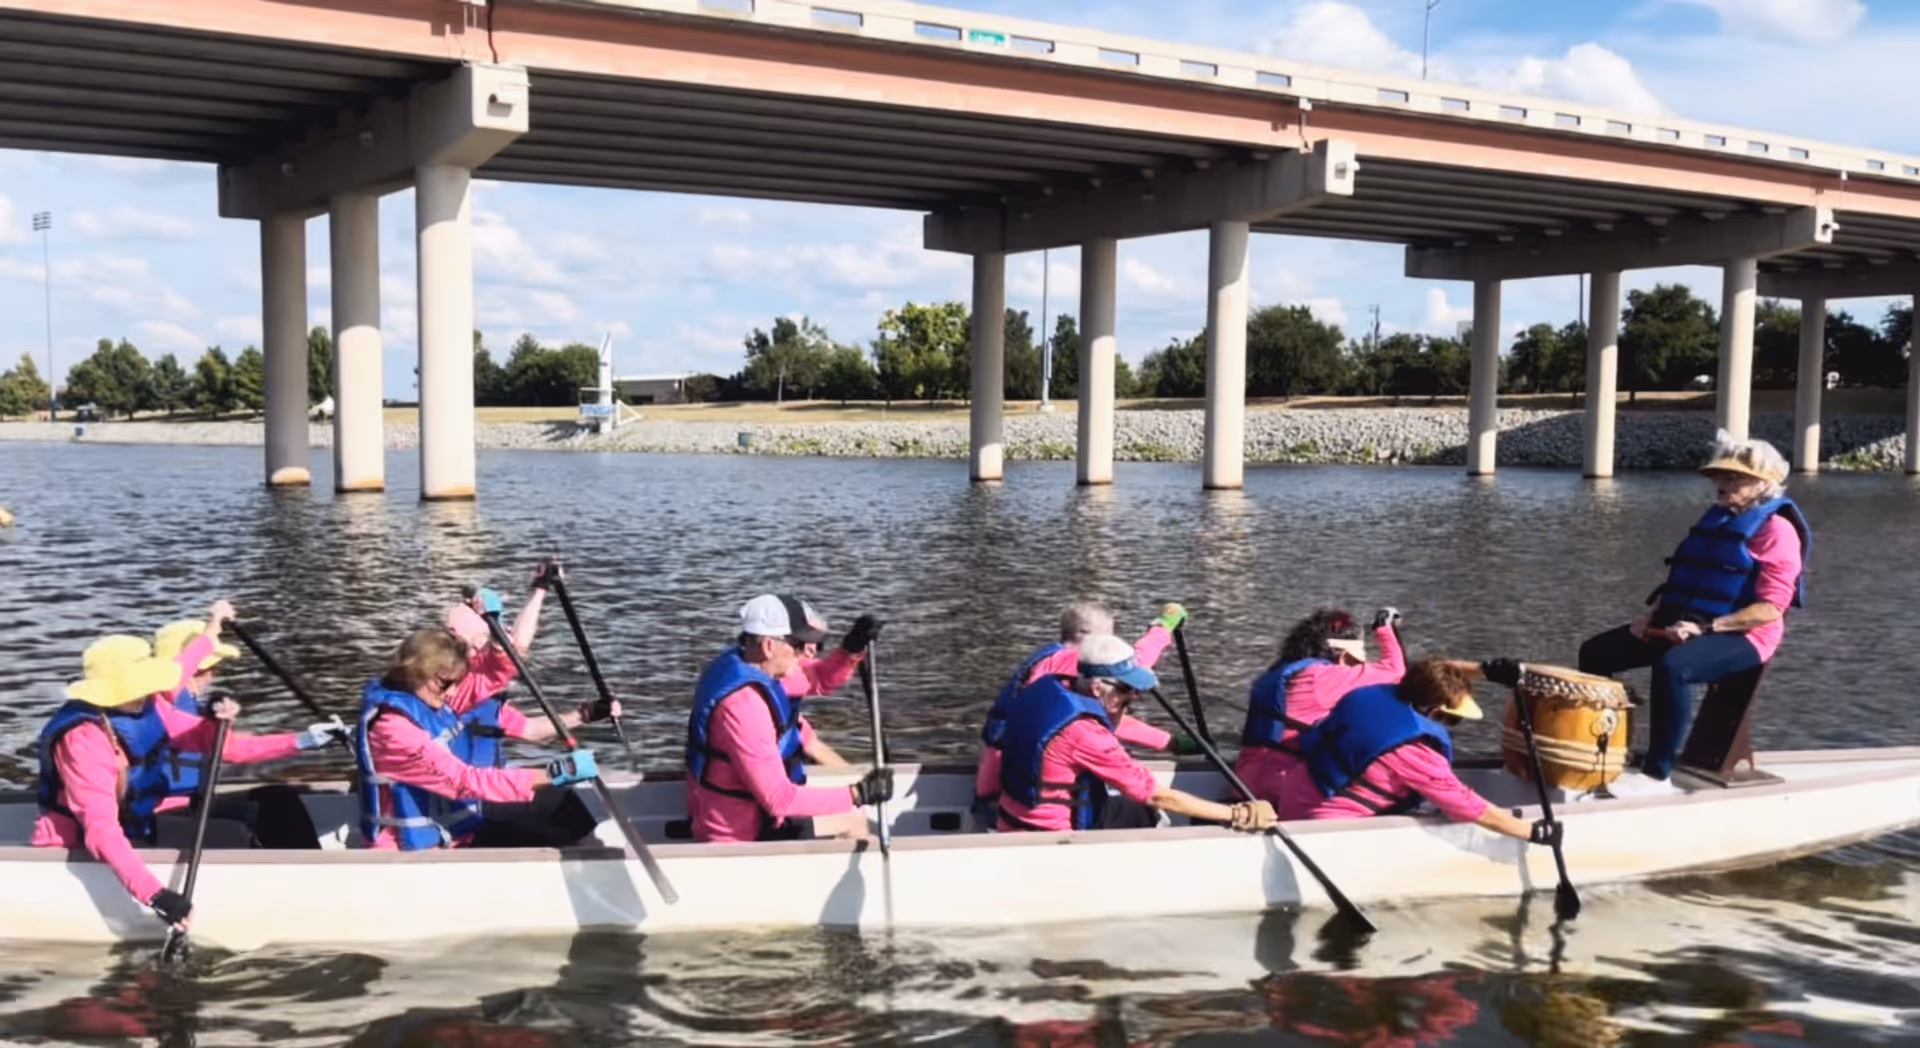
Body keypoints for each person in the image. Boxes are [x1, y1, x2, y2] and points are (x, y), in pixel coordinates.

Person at [31, 636, 339, 933]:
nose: (145, 692)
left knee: (271, 806)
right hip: (84, 843)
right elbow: (101, 830)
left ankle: (316, 889)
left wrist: (302, 740)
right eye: (136, 686)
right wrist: (157, 896)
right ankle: (294, 906)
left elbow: (224, 745)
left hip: (138, 824)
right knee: (235, 835)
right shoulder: (83, 737)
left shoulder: (149, 708)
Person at [1576, 432, 1809, 795]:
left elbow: (1770, 608)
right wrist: (1652, 619)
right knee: (1595, 652)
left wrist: (1709, 628)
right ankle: (1605, 750)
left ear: (1763, 484)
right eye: (1720, 476)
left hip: (1744, 636)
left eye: (1733, 477)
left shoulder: (1777, 531)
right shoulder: (1717, 518)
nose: (1721, 483)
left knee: (1674, 668)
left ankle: (1657, 775)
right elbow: (1684, 576)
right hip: (1685, 622)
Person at [996, 633, 1277, 833]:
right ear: (1097, 688)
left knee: (1136, 809)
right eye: (1126, 689)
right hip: (1051, 837)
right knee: (1150, 809)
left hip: (1009, 819)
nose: (1133, 696)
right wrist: (1237, 813)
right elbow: (1155, 795)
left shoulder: (1045, 688)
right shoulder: (1084, 733)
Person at [353, 627, 602, 851]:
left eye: (456, 683)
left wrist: (497, 643)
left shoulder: (425, 696)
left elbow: (486, 679)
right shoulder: (394, 731)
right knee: (551, 817)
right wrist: (554, 773)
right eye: (446, 683)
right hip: (416, 851)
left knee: (558, 810)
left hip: (454, 830)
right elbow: (463, 781)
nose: (452, 692)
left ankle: (595, 865)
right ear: (418, 673)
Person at [1283, 656, 1559, 848]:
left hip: (1292, 799)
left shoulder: (1379, 691)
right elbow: (1467, 806)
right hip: (1323, 829)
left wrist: (1486, 671)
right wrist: (1532, 831)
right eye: (1453, 719)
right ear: (1434, 712)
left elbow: (1427, 669)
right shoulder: (1414, 750)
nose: (1452, 726)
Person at [685, 594, 893, 843]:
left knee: (849, 814)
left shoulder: (754, 663)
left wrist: (850, 650)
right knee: (854, 821)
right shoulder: (743, 707)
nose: (806, 652)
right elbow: (779, 800)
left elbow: (819, 678)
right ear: (769, 646)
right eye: (798, 644)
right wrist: (857, 794)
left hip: (760, 815)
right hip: (740, 836)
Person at [973, 601, 1194, 827]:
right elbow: (1133, 667)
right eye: (1108, 638)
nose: (1111, 645)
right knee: (1148, 812)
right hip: (1026, 802)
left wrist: (1161, 630)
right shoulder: (1073, 666)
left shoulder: (1049, 666)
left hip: (998, 787)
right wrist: (1172, 742)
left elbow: (1131, 665)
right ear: (1086, 635)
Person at [151, 601, 341, 847]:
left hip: (193, 803)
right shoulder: (157, 706)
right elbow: (234, 749)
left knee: (278, 798)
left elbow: (233, 746)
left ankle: (310, 868)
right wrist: (213, 626)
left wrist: (304, 739)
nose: (214, 675)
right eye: (211, 668)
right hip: (161, 817)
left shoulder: (182, 703)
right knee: (249, 823)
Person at [1236, 607, 1406, 812]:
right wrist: (1384, 628)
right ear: (1345, 656)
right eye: (1355, 663)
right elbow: (1394, 671)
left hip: (1244, 782)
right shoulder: (1321, 677)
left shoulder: (1282, 671)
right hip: (1282, 789)